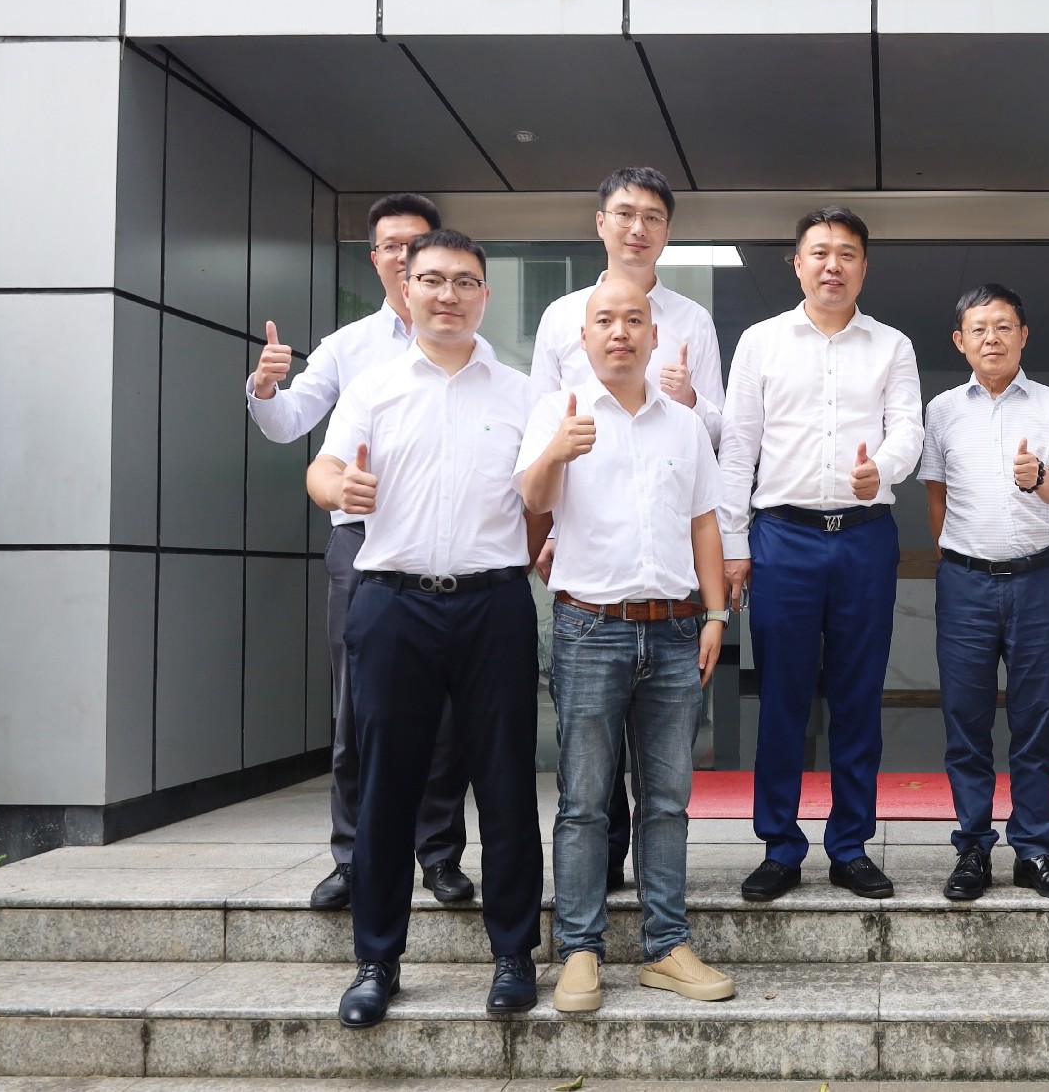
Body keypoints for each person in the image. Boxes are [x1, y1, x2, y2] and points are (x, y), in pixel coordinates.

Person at [307, 229, 547, 1028]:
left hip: (493, 603)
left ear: (485, 296)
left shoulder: (520, 392)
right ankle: (376, 960)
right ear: (406, 289)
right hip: (392, 602)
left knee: (505, 782)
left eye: (465, 281)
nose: (449, 294)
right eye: (433, 279)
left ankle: (513, 953)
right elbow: (322, 469)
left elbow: (541, 498)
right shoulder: (373, 387)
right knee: (387, 784)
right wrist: (337, 485)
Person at [246, 192, 473, 913]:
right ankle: (352, 858)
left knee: (444, 715)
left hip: (443, 551)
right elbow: (291, 424)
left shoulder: (473, 346)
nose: (404, 256)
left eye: (416, 243)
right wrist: (265, 387)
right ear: (375, 259)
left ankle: (439, 854)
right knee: (358, 708)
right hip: (361, 547)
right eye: (390, 245)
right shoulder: (349, 346)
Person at [517, 279, 736, 1013]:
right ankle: (580, 949)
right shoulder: (557, 409)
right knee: (584, 799)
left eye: (634, 320)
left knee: (667, 800)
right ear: (583, 337)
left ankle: (666, 945)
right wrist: (556, 452)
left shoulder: (684, 424)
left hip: (677, 630)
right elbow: (532, 500)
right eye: (605, 320)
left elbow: (704, 522)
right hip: (590, 628)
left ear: (653, 335)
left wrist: (715, 615)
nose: (620, 331)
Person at [718, 207, 923, 903]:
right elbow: (738, 447)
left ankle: (850, 845)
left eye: (847, 253)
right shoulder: (761, 341)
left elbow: (908, 430)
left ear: (864, 266)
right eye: (819, 252)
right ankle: (779, 845)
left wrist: (882, 470)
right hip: (784, 537)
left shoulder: (891, 345)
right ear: (797, 264)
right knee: (782, 696)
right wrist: (734, 544)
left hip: (865, 536)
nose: (833, 265)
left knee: (859, 695)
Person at [530, 166, 726, 894]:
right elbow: (541, 440)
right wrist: (548, 525)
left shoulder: (692, 321)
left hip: (670, 591)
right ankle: (588, 907)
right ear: (601, 223)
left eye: (652, 216)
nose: (637, 227)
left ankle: (659, 923)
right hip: (588, 576)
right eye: (623, 212)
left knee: (664, 789)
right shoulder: (559, 315)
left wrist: (690, 397)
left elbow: (712, 449)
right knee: (586, 785)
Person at [919, 284, 1049, 903]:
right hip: (965, 583)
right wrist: (955, 554)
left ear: (1023, 335)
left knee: (1034, 719)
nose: (992, 338)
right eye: (979, 328)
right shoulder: (941, 410)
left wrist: (1036, 476)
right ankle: (972, 848)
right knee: (965, 719)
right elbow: (935, 492)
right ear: (960, 341)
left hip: (1039, 581)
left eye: (1004, 326)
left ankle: (1035, 850)